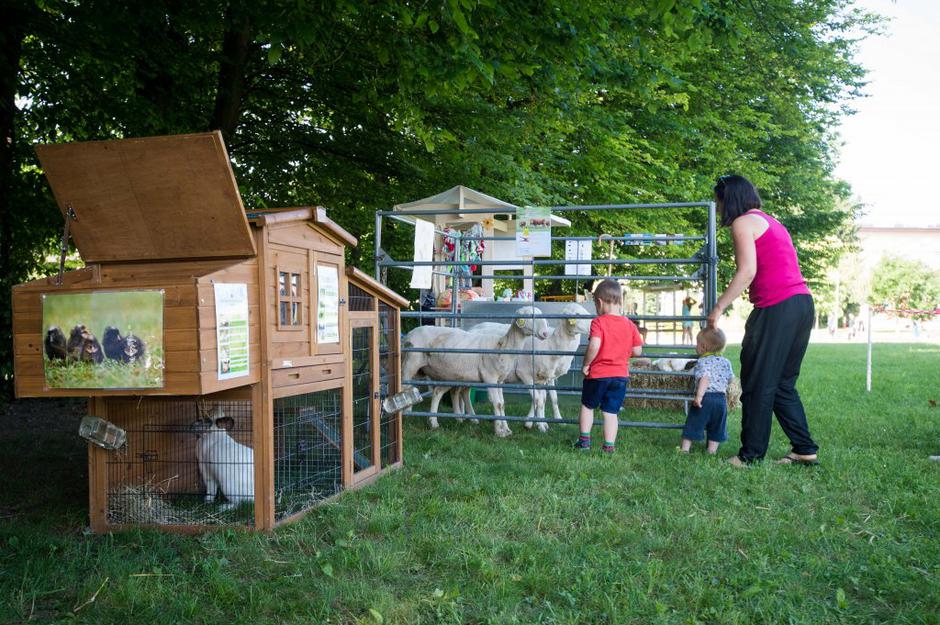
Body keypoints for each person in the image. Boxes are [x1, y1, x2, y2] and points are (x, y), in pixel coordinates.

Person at [706, 175, 819, 466]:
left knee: (757, 382)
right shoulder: (770, 221)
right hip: (801, 305)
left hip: (777, 307)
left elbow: (747, 271)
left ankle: (750, 456)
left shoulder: (743, 222)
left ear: (729, 199)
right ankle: (804, 449)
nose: (720, 209)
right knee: (782, 384)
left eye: (720, 202)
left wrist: (718, 307)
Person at [575, 279, 644, 453]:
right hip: (620, 376)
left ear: (599, 302)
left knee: (588, 406)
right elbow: (637, 351)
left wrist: (586, 364)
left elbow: (594, 345)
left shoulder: (598, 322)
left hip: (598, 375)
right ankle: (608, 446)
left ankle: (584, 442)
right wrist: (621, 353)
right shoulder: (629, 324)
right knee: (611, 412)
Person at [680, 328, 733, 454]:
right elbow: (730, 379)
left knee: (694, 422)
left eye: (697, 343)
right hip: (721, 399)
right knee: (717, 426)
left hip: (705, 397)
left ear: (703, 347)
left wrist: (699, 397)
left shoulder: (702, 361)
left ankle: (684, 449)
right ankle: (711, 451)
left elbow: (705, 378)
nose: (695, 346)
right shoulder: (726, 361)